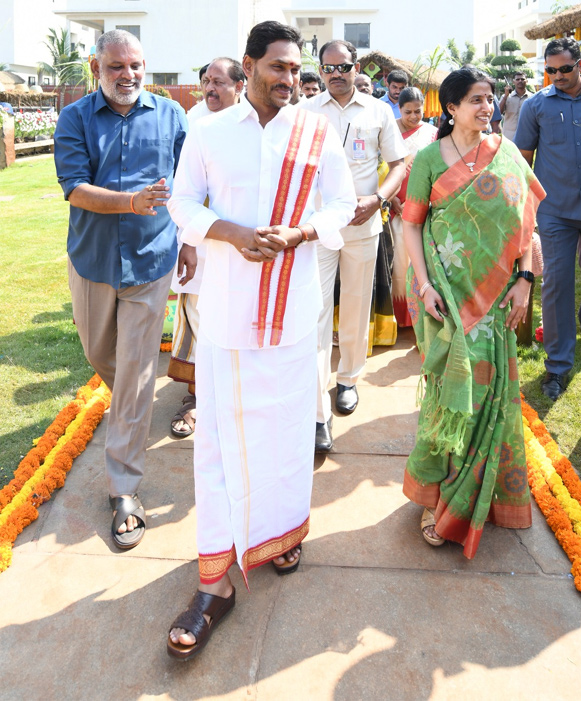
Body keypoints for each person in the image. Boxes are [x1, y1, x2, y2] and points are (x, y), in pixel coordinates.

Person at [165, 21, 355, 660]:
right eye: (276, 67)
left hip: (295, 315)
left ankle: (280, 533)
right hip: (225, 317)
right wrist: (229, 232)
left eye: (294, 69)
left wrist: (301, 235)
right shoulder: (208, 129)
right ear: (247, 67)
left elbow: (343, 203)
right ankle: (214, 584)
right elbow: (181, 204)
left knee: (287, 430)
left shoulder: (316, 129)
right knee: (218, 444)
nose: (288, 79)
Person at [53, 29, 190, 549]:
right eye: (117, 67)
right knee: (99, 354)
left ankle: (124, 488)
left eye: (135, 65)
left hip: (152, 259)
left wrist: (190, 237)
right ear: (96, 68)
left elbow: (189, 179)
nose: (128, 75)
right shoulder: (75, 118)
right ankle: (133, 407)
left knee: (133, 375)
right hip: (92, 260)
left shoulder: (170, 113)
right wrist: (130, 202)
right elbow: (76, 188)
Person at [401, 67, 545, 558]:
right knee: (450, 397)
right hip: (445, 296)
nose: (488, 108)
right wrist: (423, 287)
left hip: (498, 297)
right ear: (452, 107)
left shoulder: (507, 155)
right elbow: (411, 227)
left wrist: (525, 281)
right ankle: (436, 498)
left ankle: (485, 492)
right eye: (477, 100)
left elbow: (527, 220)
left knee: (491, 396)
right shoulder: (426, 159)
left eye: (490, 100)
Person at [304, 40, 406, 453]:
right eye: (328, 69)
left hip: (363, 224)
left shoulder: (379, 110)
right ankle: (315, 402)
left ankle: (348, 379)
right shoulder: (305, 112)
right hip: (317, 226)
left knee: (358, 304)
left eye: (343, 67)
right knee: (315, 308)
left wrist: (378, 199)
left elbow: (398, 164)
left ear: (356, 66)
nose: (335, 75)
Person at [515, 37, 581, 400]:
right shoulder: (536, 105)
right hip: (554, 212)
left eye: (564, 68)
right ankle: (558, 366)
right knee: (557, 284)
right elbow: (522, 158)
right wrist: (526, 209)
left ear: (580, 64)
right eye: (550, 70)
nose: (557, 76)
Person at [169, 57, 245, 437]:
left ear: (240, 86)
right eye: (205, 82)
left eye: (218, 82)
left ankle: (234, 397)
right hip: (201, 238)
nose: (210, 89)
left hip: (244, 246)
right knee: (197, 315)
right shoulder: (196, 121)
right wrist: (189, 241)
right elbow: (185, 194)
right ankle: (198, 397)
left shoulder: (258, 124)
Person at [390, 86, 438, 327]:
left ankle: (417, 317)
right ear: (399, 108)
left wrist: (422, 200)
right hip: (391, 207)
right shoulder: (387, 131)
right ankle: (395, 317)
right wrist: (390, 198)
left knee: (418, 261)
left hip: (421, 208)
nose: (413, 117)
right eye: (408, 112)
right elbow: (381, 166)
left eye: (418, 111)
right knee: (397, 262)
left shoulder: (432, 133)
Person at [499, 72, 529, 141]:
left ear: (526, 81)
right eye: (517, 79)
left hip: (526, 136)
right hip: (508, 136)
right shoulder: (506, 97)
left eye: (522, 79)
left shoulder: (532, 98)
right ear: (513, 82)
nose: (520, 81)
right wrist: (506, 96)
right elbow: (499, 112)